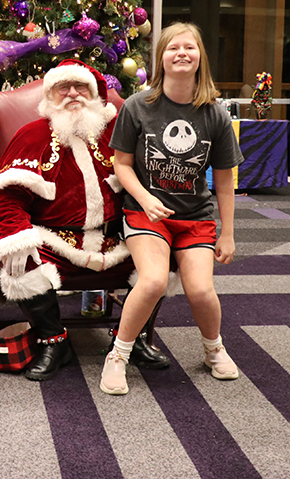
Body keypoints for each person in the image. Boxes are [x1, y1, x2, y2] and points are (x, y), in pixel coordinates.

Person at [0, 59, 169, 382]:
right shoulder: (30, 136)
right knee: (23, 259)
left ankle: (129, 337)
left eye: (81, 86)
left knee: (163, 258)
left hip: (118, 239)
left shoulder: (118, 133)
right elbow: (10, 198)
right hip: (54, 241)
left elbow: (151, 182)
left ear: (95, 92)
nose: (73, 93)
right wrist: (18, 235)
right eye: (63, 87)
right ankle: (53, 341)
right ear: (50, 96)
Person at [99, 22, 244, 396]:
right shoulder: (137, 106)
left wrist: (227, 233)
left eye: (189, 48)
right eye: (173, 48)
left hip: (195, 218)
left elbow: (224, 180)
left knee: (201, 291)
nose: (182, 53)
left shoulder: (215, 114)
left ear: (200, 57)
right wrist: (146, 199)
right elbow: (121, 164)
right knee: (152, 281)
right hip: (146, 215)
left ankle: (214, 350)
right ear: (161, 58)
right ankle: (118, 356)